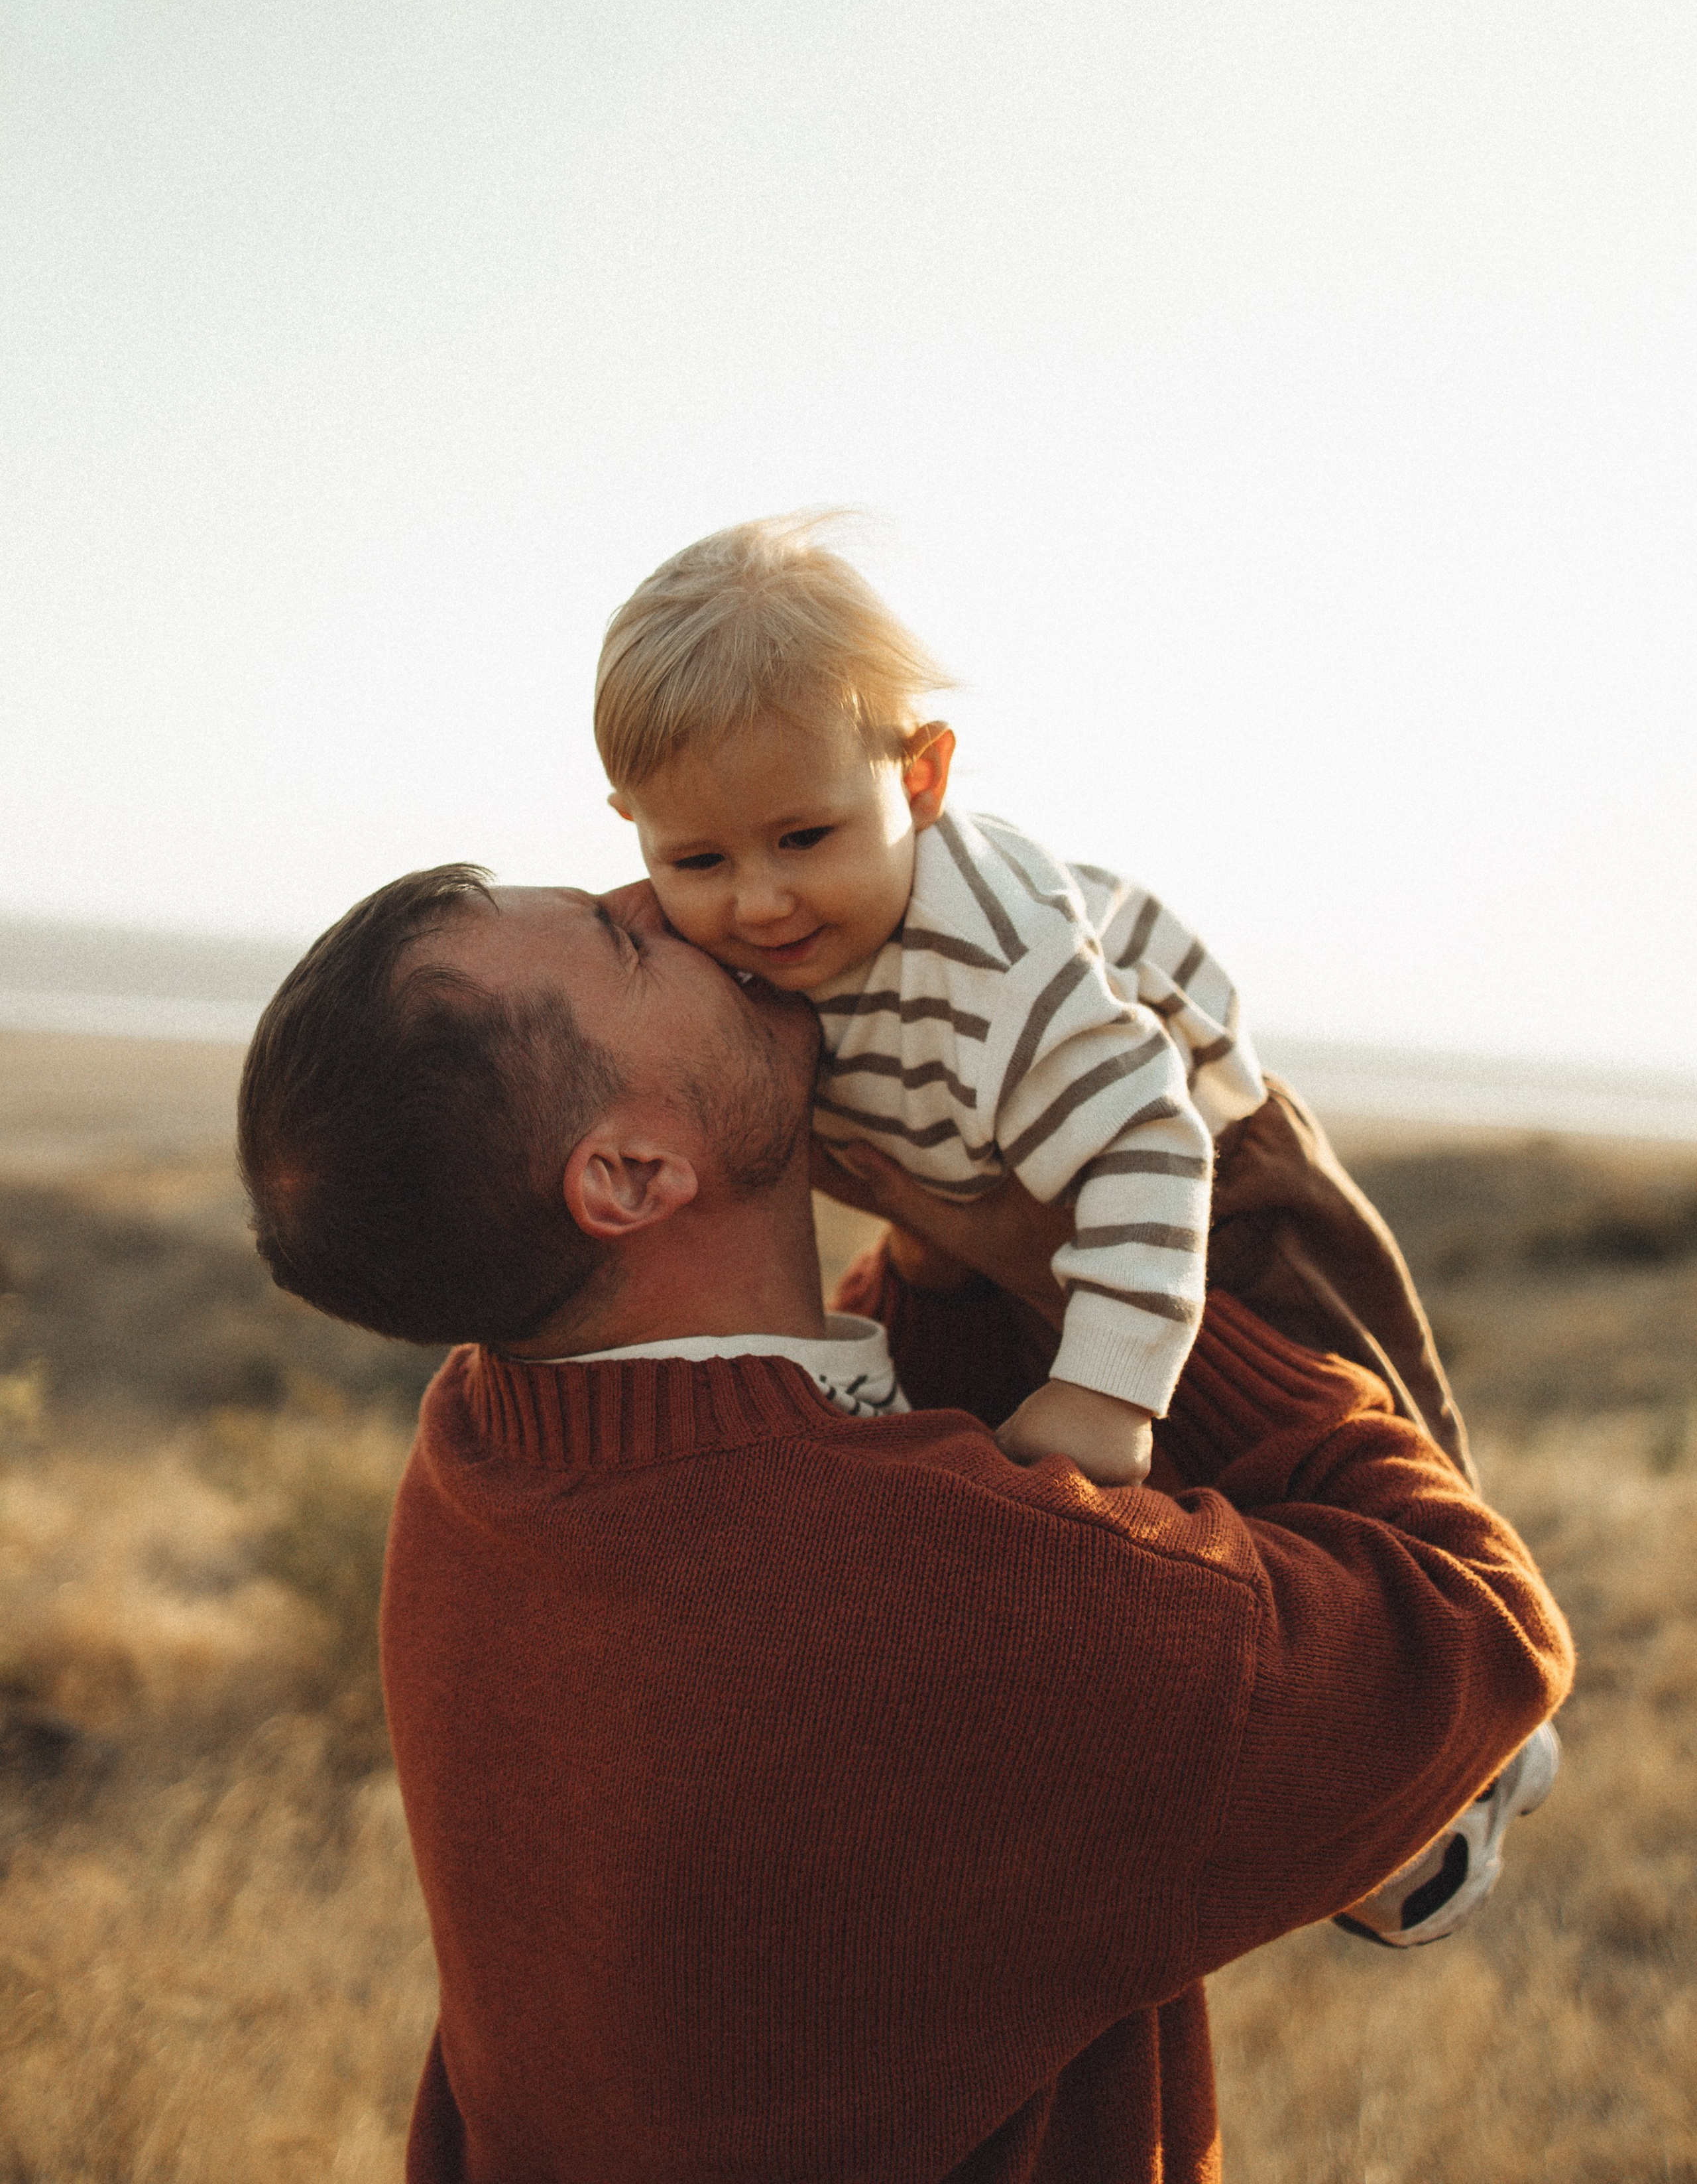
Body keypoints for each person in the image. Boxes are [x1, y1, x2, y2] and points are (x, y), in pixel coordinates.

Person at [237, 863, 1572, 2184]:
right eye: (620, 942)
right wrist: (1129, 1308)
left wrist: (951, 1266)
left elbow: (863, 1462)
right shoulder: (923, 1601)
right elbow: (1474, 1626)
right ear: (634, 1173)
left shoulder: (484, 1452)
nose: (659, 892)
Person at [594, 513, 1474, 1486]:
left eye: (804, 838)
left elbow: (1151, 1146)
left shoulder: (1005, 957)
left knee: (1355, 1441)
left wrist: (1105, 1393)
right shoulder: (705, 940)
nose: (760, 902)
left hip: (1214, 1191)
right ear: (637, 827)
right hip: (1018, 1188)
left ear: (920, 779)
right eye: (700, 858)